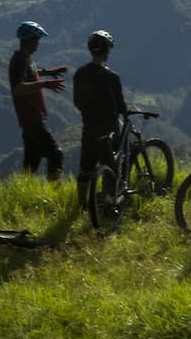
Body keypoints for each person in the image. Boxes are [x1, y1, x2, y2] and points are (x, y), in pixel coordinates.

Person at [72, 30, 125, 214]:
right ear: (107, 51)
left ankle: (81, 205)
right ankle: (110, 206)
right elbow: (120, 106)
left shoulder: (80, 74)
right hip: (109, 129)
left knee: (85, 168)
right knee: (111, 168)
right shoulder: (112, 77)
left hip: (89, 128)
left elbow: (77, 102)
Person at [8, 20, 66, 180]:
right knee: (56, 154)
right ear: (29, 40)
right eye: (37, 40)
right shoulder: (19, 60)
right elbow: (18, 89)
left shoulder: (25, 59)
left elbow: (30, 73)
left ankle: (20, 196)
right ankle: (54, 193)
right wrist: (45, 84)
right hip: (31, 118)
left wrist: (48, 72)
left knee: (31, 166)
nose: (38, 44)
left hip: (31, 119)